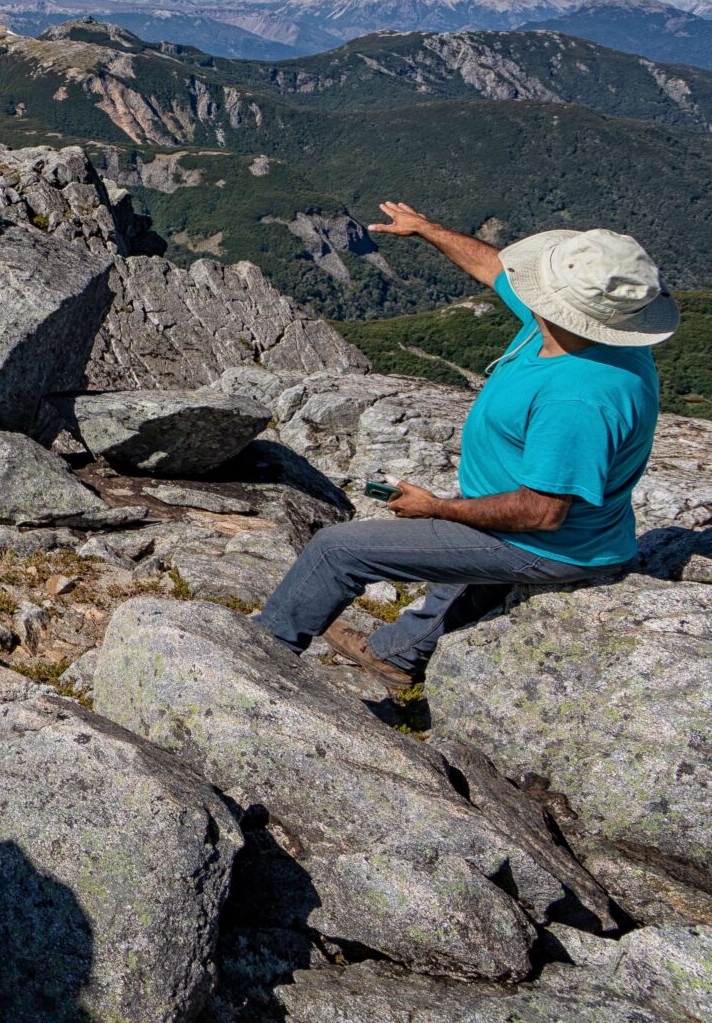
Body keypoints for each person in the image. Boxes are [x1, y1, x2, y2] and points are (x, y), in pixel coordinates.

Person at [256, 206, 674, 686]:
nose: (529, 285)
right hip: (555, 531)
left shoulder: (579, 396)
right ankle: (398, 655)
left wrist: (437, 508)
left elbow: (541, 513)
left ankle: (262, 652)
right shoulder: (569, 332)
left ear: (562, 306)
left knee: (336, 549)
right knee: (455, 577)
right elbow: (496, 268)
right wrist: (428, 230)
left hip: (544, 543)